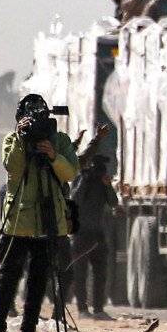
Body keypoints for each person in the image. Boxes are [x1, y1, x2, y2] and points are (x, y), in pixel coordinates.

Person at [0, 95, 79, 332]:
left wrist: (53, 155)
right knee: (8, 278)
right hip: (18, 221)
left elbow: (70, 172)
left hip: (47, 220)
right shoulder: (12, 140)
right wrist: (20, 139)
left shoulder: (59, 141)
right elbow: (12, 167)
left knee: (38, 280)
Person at [68, 125, 117, 318]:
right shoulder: (81, 178)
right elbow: (75, 199)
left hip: (97, 233)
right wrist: (84, 180)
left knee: (100, 273)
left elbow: (113, 202)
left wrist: (107, 186)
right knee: (80, 274)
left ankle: (98, 308)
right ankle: (82, 309)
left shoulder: (102, 184)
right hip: (81, 234)